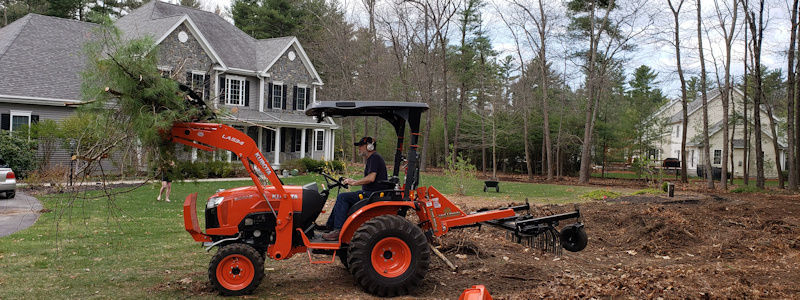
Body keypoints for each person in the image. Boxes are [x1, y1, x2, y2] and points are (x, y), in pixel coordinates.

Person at [322, 136, 388, 241]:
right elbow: (370, 177)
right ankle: (329, 226)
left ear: (370, 146)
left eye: (361, 146)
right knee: (343, 197)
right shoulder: (372, 158)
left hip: (371, 194)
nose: (359, 148)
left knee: (343, 197)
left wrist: (355, 183)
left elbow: (371, 178)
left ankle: (338, 230)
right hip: (369, 192)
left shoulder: (374, 158)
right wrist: (353, 180)